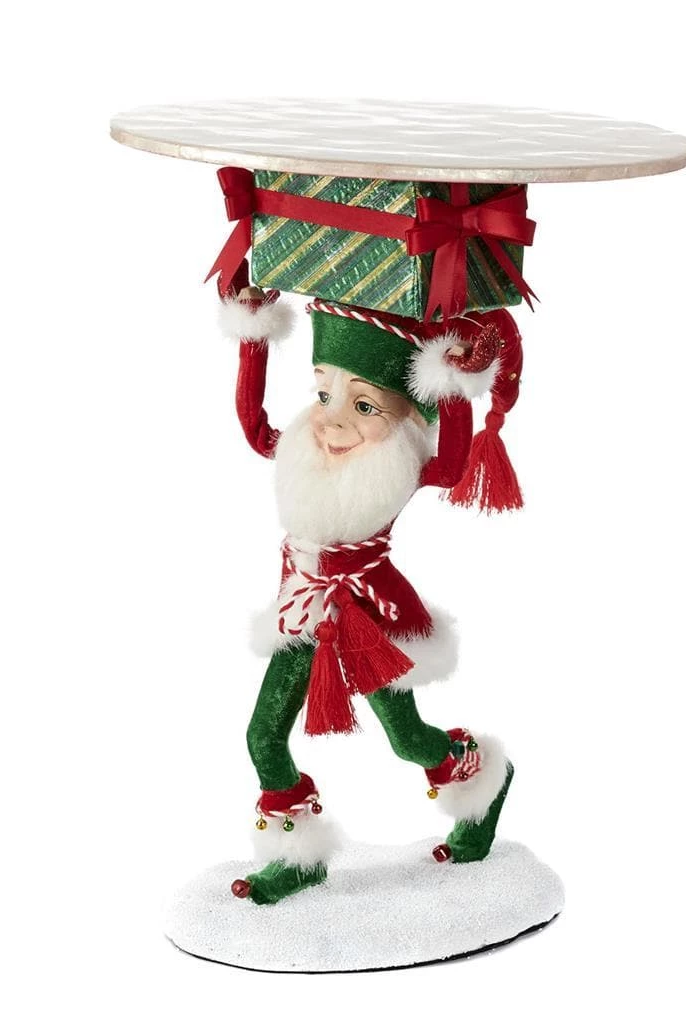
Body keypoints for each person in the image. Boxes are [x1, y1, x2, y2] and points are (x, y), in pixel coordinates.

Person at [219, 287, 524, 905]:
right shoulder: (302, 449)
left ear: (409, 421)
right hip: (304, 612)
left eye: (364, 406)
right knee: (263, 736)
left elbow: (455, 463)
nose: (332, 421)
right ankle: (297, 858)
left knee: (407, 740)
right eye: (323, 395)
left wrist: (449, 384)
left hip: (370, 619)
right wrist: (253, 335)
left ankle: (481, 778)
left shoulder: (409, 464)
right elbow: (255, 428)